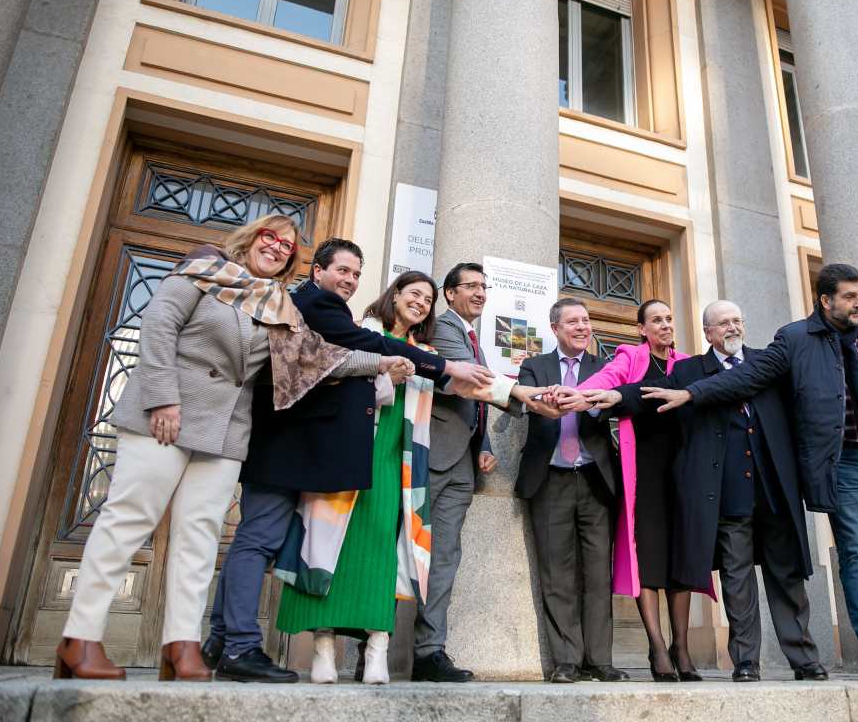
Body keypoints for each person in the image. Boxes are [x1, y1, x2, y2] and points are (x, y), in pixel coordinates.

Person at [55, 215, 384, 681]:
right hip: (165, 416)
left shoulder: (278, 306)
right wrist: (161, 398)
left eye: (288, 246)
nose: (277, 248)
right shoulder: (204, 268)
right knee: (129, 520)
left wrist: (388, 361)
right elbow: (159, 325)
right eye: (270, 237)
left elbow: (324, 360)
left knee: (200, 538)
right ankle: (80, 639)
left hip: (226, 435)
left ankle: (181, 647)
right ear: (251, 237)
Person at [642, 264, 858, 683]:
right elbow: (742, 378)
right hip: (806, 474)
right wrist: (689, 392)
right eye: (850, 296)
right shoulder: (789, 341)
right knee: (829, 560)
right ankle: (847, 654)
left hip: (842, 472)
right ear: (825, 300)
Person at [206, 242, 495, 683]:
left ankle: (223, 638)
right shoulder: (319, 303)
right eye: (343, 270)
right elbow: (363, 348)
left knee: (262, 539)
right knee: (261, 539)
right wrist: (422, 366)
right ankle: (237, 645)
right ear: (318, 270)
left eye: (356, 274)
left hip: (314, 451)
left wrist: (513, 396)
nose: (350, 280)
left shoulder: (320, 306)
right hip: (292, 444)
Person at [272, 270, 550, 684]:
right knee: (330, 548)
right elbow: (334, 378)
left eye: (427, 299)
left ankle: (379, 647)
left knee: (386, 549)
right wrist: (387, 376)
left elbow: (466, 386)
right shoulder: (361, 329)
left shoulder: (426, 349)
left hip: (398, 459)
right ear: (395, 294)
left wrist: (521, 395)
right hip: (350, 452)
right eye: (414, 294)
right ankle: (324, 648)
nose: (420, 302)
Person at [580, 300, 827, 683]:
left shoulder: (769, 362)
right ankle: (746, 661)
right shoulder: (690, 369)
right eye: (722, 323)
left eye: (736, 321)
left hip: (774, 488)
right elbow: (652, 390)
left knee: (786, 577)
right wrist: (616, 397)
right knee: (736, 578)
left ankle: (804, 658)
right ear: (707, 332)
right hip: (726, 493)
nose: (732, 328)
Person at [411, 262, 547, 682]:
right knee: (403, 550)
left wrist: (483, 445)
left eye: (484, 287)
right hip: (426, 456)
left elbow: (473, 403)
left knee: (445, 556)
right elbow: (465, 382)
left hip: (461, 465)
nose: (481, 293)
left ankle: (428, 651)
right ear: (448, 293)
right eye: (471, 286)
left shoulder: (475, 340)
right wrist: (522, 392)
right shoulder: (442, 327)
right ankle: (372, 645)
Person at [569, 299, 698, 682]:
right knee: (648, 558)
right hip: (643, 471)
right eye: (657, 320)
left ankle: (682, 645)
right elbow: (605, 381)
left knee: (681, 559)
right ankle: (657, 645)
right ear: (642, 329)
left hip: (684, 471)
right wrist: (575, 394)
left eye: (669, 318)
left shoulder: (688, 363)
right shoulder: (629, 356)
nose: (665, 324)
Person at [515, 298, 627, 684]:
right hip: (551, 479)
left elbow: (618, 407)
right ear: (555, 328)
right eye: (573, 321)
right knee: (557, 573)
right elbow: (524, 401)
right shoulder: (535, 366)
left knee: (598, 574)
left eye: (586, 320)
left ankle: (600, 660)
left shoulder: (605, 367)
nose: (583, 327)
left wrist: (593, 403)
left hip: (596, 479)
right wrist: (547, 401)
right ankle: (566, 661)